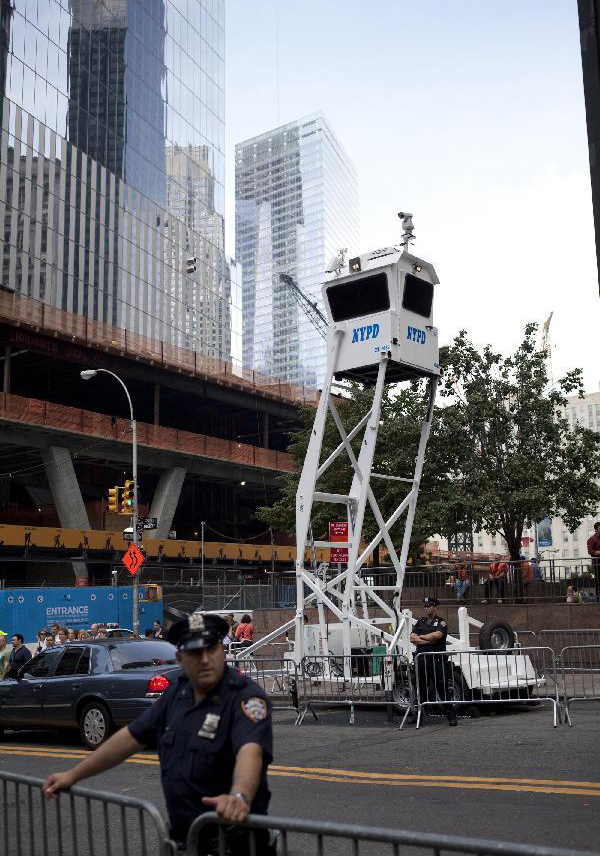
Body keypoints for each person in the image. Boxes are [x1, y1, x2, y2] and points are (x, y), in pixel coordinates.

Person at [42, 613, 274, 854]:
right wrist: (73, 775)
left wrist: (239, 796)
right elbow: (128, 738)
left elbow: (251, 751)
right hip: (187, 841)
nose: (205, 659)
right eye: (195, 652)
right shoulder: (176, 695)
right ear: (180, 658)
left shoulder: (245, 696)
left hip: (236, 842)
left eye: (211, 649)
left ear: (222, 651)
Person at [410, 598, 457, 727]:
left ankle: (451, 717)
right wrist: (428, 640)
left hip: (436, 662)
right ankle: (419, 716)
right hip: (422, 661)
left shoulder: (440, 622)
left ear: (435, 607)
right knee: (421, 690)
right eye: (425, 606)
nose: (427, 608)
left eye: (429, 606)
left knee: (442, 690)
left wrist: (422, 638)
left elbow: (437, 636)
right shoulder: (421, 622)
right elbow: (412, 638)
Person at [587, 521, 600, 602]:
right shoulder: (592, 539)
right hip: (597, 563)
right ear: (596, 529)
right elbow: (590, 551)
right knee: (598, 580)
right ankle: (598, 598)